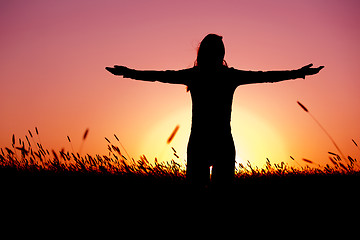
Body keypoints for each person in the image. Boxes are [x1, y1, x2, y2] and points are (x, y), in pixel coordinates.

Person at [106, 33, 324, 186]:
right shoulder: (224, 76)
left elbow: (158, 75)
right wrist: (298, 73)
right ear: (219, 54)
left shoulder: (198, 75)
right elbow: (266, 76)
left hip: (203, 143)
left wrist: (129, 72)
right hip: (219, 143)